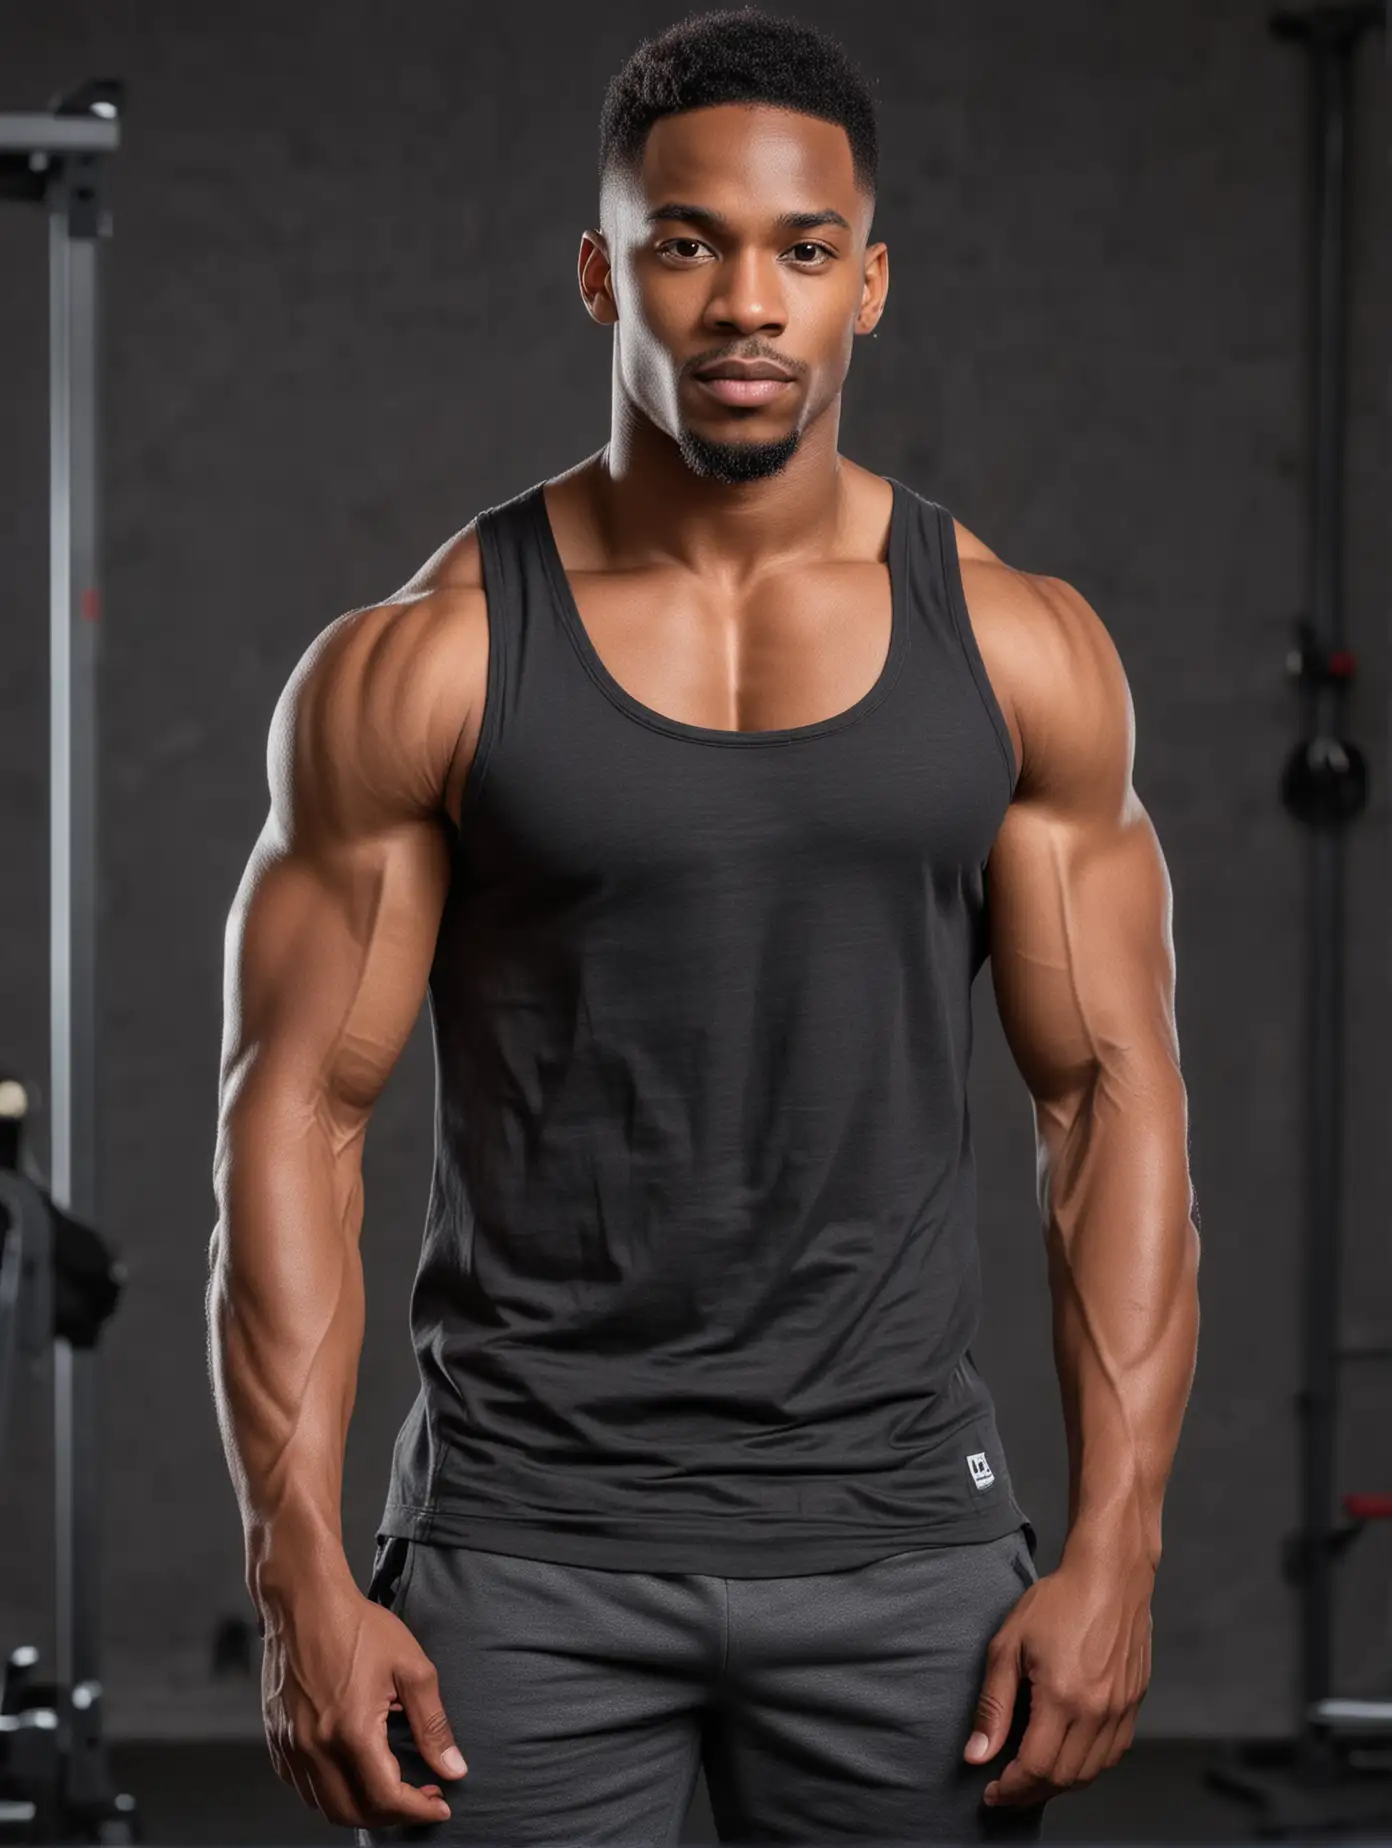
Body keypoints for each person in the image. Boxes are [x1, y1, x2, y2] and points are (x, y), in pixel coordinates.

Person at [206, 9, 1201, 1843]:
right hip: (523, 1564)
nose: (748, 300)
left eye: (802, 251)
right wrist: (300, 1587)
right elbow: (295, 1119)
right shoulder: (427, 661)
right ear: (604, 273)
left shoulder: (1017, 648)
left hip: (906, 1558)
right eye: (689, 243)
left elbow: (1115, 1099)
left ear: (868, 285)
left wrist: (1118, 1551)